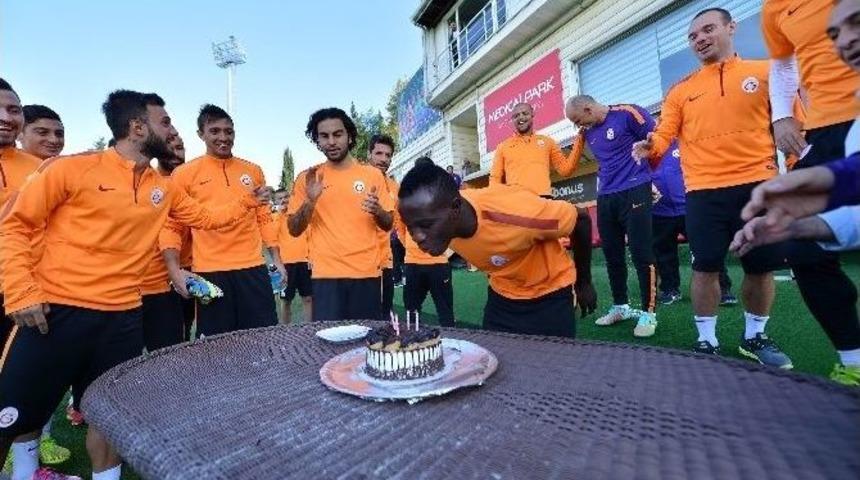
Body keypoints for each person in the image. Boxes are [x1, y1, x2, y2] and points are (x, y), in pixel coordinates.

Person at [0, 89, 268, 480]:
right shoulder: (70, 169)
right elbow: (15, 226)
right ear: (138, 127)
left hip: (124, 319)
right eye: (165, 122)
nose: (172, 130)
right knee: (9, 416)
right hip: (56, 312)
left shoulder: (164, 186)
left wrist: (249, 201)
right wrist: (21, 291)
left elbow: (208, 218)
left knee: (108, 418)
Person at [631, 8, 794, 368]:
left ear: (730, 28)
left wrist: (797, 170)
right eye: (692, 36)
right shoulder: (680, 90)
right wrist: (651, 146)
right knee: (705, 266)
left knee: (760, 267)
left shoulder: (765, 72)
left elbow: (792, 127)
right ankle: (707, 340)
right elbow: (664, 133)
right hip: (703, 191)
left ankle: (754, 336)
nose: (700, 39)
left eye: (707, 30)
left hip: (759, 185)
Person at [756, 0, 860, 382]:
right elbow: (783, 62)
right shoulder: (774, 8)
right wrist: (782, 114)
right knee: (800, 242)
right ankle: (854, 361)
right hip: (826, 129)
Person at [398, 163, 596, 337]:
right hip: (502, 297)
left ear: (456, 208)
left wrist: (584, 283)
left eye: (426, 225)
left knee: (554, 366)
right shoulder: (438, 217)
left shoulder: (518, 215)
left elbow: (581, 219)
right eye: (410, 227)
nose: (416, 237)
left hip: (550, 295)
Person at [0, 82, 74, 479]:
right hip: (15, 289)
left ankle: (27, 469)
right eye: (42, 131)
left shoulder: (41, 170)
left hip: (33, 294)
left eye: (13, 110)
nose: (5, 118)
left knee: (24, 390)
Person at [160, 104, 280, 337]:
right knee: (217, 347)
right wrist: (173, 269)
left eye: (229, 131)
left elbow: (264, 217)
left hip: (252, 268)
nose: (223, 137)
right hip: (210, 272)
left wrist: (277, 258)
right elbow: (172, 225)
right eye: (214, 131)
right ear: (201, 134)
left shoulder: (253, 170)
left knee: (262, 340)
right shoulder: (184, 174)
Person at [288, 108, 394, 321]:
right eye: (324, 136)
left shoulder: (373, 175)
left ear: (350, 136)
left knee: (367, 338)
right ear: (317, 140)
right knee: (328, 338)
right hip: (326, 276)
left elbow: (388, 223)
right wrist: (310, 201)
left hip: (366, 274)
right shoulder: (308, 178)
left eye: (337, 134)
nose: (331, 142)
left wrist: (378, 211)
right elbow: (294, 229)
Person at [565, 95, 658, 337]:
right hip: (606, 196)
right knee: (612, 255)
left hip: (635, 188)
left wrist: (655, 180)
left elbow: (658, 139)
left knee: (641, 253)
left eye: (577, 120)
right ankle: (620, 306)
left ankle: (649, 313)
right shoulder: (587, 133)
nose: (577, 126)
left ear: (588, 108)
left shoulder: (628, 113)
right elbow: (569, 165)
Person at [650, 141, 737, 305]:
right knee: (663, 253)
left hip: (690, 207)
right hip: (659, 211)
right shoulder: (644, 149)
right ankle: (670, 289)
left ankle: (722, 289)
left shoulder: (684, 142)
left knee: (706, 249)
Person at [140, 133, 194, 351]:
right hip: (152, 278)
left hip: (189, 269)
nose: (175, 153)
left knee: (181, 333)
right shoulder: (147, 182)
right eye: (169, 148)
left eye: (179, 148)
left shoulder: (191, 182)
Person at [399, 157, 455, 327]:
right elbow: (400, 227)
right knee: (412, 310)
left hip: (437, 262)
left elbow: (454, 225)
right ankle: (414, 342)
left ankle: (448, 342)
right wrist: (413, 247)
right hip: (415, 263)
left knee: (444, 311)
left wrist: (445, 250)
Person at [489, 102, 579, 197]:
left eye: (525, 113)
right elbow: (495, 179)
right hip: (516, 200)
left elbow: (565, 170)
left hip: (543, 198)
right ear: (512, 120)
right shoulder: (503, 147)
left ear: (532, 115)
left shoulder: (548, 142)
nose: (520, 117)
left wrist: (579, 139)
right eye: (516, 116)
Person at [366, 134, 399, 318]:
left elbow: (398, 221)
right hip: (360, 262)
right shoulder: (357, 180)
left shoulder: (394, 187)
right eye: (379, 153)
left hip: (386, 260)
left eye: (388, 155)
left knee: (385, 314)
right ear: (369, 154)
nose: (384, 159)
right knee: (362, 318)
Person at [271, 187, 312, 324]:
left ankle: (308, 329)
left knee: (308, 298)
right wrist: (279, 213)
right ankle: (285, 330)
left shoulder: (298, 217)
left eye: (286, 197)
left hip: (304, 262)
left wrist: (311, 257)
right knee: (286, 300)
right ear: (275, 202)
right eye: (280, 198)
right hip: (286, 265)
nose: (284, 200)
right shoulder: (274, 218)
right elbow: (272, 241)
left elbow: (310, 237)